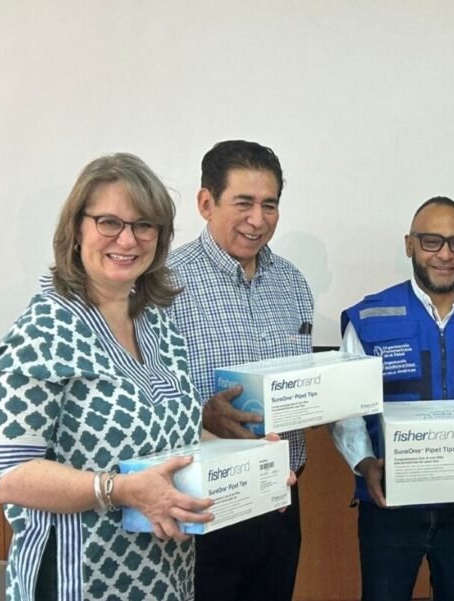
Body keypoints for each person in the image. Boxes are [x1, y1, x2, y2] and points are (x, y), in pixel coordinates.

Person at [0, 153, 213, 600]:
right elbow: (7, 474)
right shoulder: (42, 332)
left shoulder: (158, 325)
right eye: (109, 222)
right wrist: (120, 489)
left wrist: (250, 468)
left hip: (164, 575)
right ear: (77, 230)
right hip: (77, 579)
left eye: (144, 225)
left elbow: (178, 430)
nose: (127, 239)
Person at [167, 140, 371, 601]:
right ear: (205, 203)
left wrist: (327, 398)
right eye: (243, 203)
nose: (258, 220)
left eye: (270, 205)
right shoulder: (163, 282)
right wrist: (200, 416)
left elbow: (299, 383)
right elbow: (143, 396)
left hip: (281, 495)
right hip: (204, 498)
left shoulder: (293, 282)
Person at [340, 196, 454, 601]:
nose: (445, 255)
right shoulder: (369, 319)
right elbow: (346, 410)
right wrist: (364, 462)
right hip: (388, 505)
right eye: (431, 242)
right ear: (409, 245)